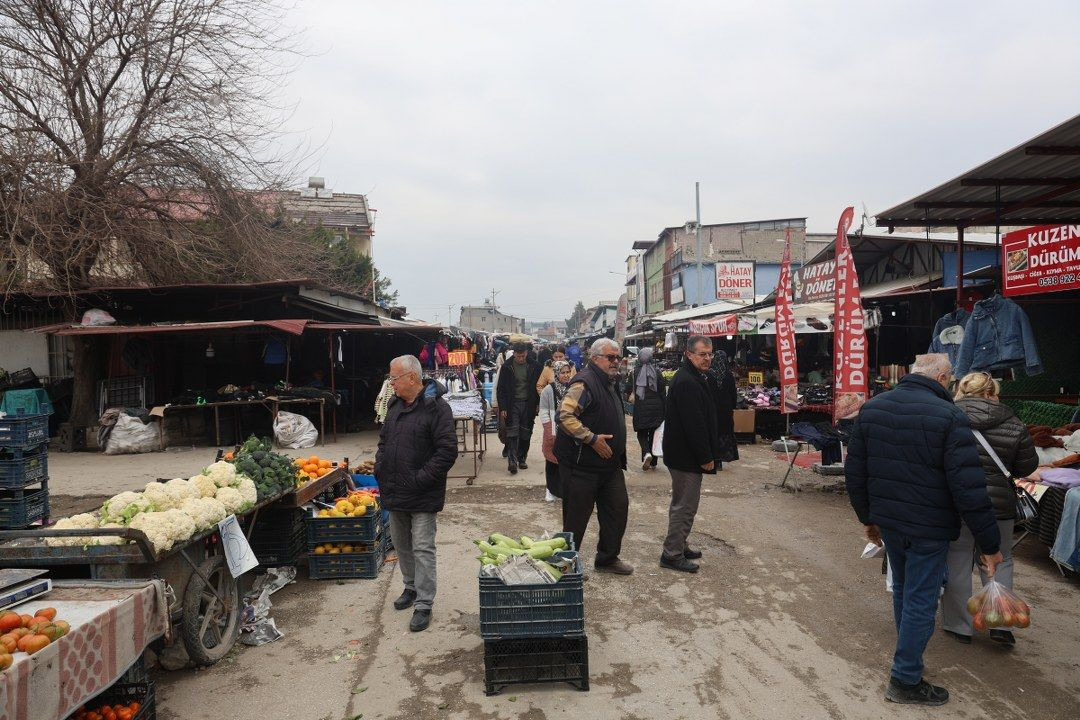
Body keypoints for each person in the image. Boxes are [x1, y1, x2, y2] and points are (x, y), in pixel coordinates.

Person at [845, 353, 1003, 706]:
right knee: (918, 598)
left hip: (891, 522)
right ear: (943, 378)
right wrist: (991, 545)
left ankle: (908, 659)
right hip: (928, 528)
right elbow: (969, 488)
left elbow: (855, 471)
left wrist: (868, 518)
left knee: (904, 591)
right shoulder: (948, 416)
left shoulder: (874, 409)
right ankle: (904, 678)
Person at [942, 371, 1038, 646]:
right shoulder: (1012, 421)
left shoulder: (948, 417)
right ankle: (999, 621)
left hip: (957, 502)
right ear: (989, 393)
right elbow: (1027, 467)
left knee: (957, 560)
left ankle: (959, 625)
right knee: (1000, 558)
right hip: (1000, 506)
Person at [374, 355, 457, 632]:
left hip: (422, 492)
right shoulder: (395, 405)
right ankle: (409, 587)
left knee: (422, 547)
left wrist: (420, 478)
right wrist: (380, 467)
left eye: (394, 378)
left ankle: (424, 603)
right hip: (395, 489)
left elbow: (447, 452)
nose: (391, 383)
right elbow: (384, 441)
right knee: (401, 544)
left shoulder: (438, 409)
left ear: (412, 378)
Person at [555, 338, 633, 575]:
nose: (616, 362)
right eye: (611, 357)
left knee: (617, 511)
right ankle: (565, 568)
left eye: (618, 358)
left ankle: (607, 559)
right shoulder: (584, 383)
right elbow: (564, 416)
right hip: (582, 467)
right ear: (595, 358)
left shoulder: (609, 381)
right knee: (575, 521)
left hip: (609, 468)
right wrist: (591, 439)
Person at [659, 336, 719, 573]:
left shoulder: (693, 377)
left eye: (709, 354)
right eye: (702, 354)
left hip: (684, 454)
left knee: (685, 504)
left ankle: (680, 545)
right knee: (684, 506)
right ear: (689, 354)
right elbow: (694, 425)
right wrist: (705, 456)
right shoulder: (686, 382)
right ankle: (671, 554)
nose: (707, 359)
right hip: (686, 456)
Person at [495, 342, 543, 474]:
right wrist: (502, 407)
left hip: (529, 404)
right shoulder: (507, 367)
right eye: (518, 356)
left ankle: (522, 458)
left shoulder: (535, 366)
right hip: (512, 404)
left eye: (523, 356)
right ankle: (512, 461)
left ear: (526, 353)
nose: (521, 358)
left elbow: (539, 386)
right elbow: (501, 389)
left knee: (525, 432)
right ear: (514, 354)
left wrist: (538, 404)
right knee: (512, 433)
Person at [539, 360, 574, 502]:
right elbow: (544, 412)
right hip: (553, 431)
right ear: (556, 373)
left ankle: (566, 490)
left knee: (567, 463)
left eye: (567, 372)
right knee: (552, 462)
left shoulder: (574, 388)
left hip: (570, 431)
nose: (566, 375)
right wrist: (549, 431)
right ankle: (550, 489)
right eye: (562, 372)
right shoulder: (548, 390)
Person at [629, 347, 666, 471]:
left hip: (641, 408)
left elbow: (628, 389)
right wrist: (665, 409)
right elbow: (662, 392)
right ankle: (653, 462)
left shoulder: (634, 372)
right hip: (657, 408)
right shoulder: (657, 371)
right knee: (654, 433)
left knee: (642, 433)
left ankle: (646, 453)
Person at [708, 349, 739, 466]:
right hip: (725, 411)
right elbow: (733, 393)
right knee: (723, 434)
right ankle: (721, 460)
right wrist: (733, 406)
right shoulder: (729, 375)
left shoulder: (709, 374)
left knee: (713, 433)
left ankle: (714, 460)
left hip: (712, 409)